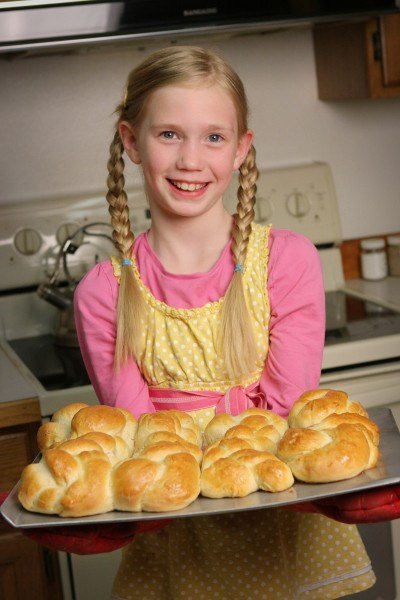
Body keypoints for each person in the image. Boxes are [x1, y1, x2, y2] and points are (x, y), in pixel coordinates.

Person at [71, 45, 379, 599]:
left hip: (288, 538)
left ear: (241, 150)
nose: (191, 160)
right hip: (178, 542)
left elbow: (287, 413)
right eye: (169, 135)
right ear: (130, 142)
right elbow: (147, 443)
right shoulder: (105, 293)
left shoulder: (286, 262)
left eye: (213, 137)